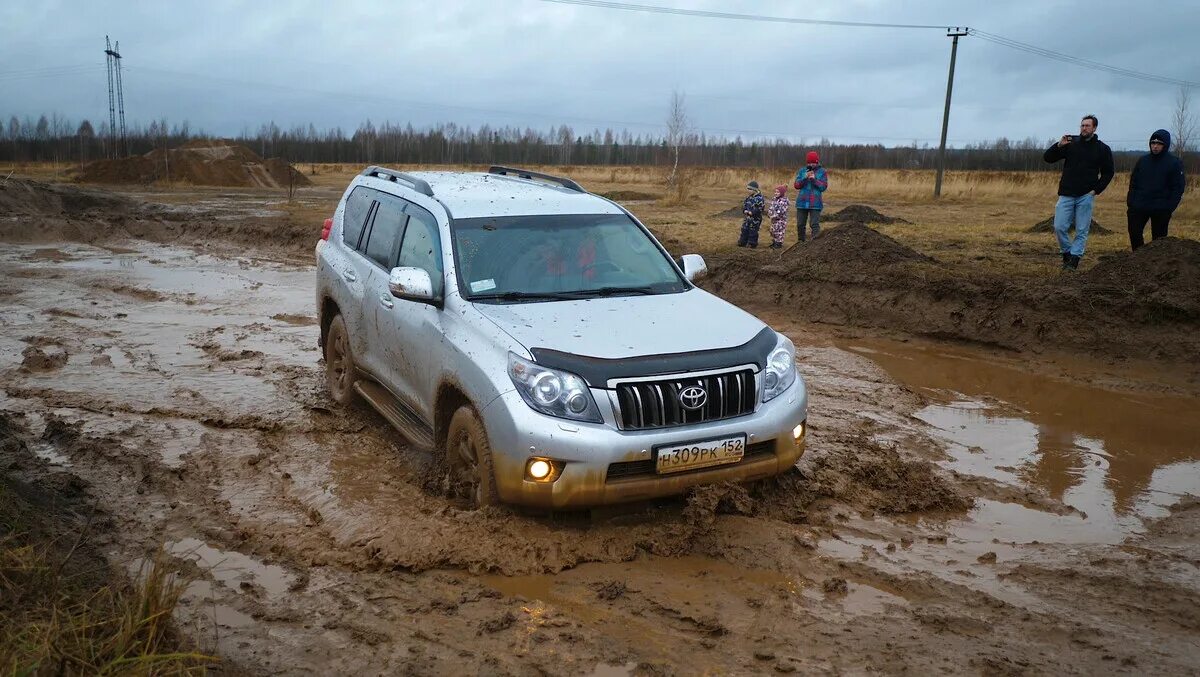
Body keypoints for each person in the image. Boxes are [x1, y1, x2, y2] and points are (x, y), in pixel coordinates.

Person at [1043, 114, 1114, 270]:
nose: (1083, 128)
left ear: (1094, 128)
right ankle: (1067, 252)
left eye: (1087, 126)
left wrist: (1095, 191)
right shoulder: (1070, 143)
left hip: (1086, 195)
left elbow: (1108, 172)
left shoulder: (1102, 149)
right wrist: (1058, 145)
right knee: (1060, 226)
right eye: (1082, 125)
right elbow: (1047, 158)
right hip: (1067, 193)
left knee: (1082, 230)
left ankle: (1074, 261)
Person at [1126, 129, 1186, 250]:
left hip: (1161, 208)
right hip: (1139, 206)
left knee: (1159, 241)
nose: (1155, 146)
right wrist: (1131, 202)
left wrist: (1168, 207)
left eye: (1159, 143)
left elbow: (1178, 188)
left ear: (1165, 145)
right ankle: (1138, 259)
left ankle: (1155, 265)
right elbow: (1133, 182)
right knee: (1134, 232)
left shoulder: (1174, 163)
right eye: (1153, 143)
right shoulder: (1143, 161)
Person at [793, 151, 828, 242]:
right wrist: (804, 177)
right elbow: (796, 185)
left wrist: (814, 179)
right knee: (800, 224)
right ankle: (800, 243)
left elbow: (823, 187)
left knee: (814, 225)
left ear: (817, 162)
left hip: (815, 203)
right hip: (802, 202)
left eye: (812, 162)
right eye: (809, 162)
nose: (810, 164)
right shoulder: (802, 171)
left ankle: (815, 245)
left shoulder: (822, 172)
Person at [737, 180, 765, 248]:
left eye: (750, 189)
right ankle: (742, 242)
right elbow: (744, 205)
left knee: (753, 231)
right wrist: (745, 210)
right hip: (747, 218)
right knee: (744, 229)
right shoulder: (748, 198)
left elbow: (760, 208)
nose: (748, 190)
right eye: (747, 189)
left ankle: (752, 243)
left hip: (755, 219)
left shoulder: (759, 198)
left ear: (754, 190)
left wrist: (752, 212)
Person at [767, 184, 790, 249]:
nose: (776, 193)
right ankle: (774, 242)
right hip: (773, 220)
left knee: (779, 232)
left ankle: (778, 243)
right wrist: (769, 213)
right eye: (775, 192)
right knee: (773, 231)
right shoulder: (774, 199)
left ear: (782, 193)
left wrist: (774, 216)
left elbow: (781, 211)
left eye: (778, 192)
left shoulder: (784, 201)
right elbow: (771, 207)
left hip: (781, 220)